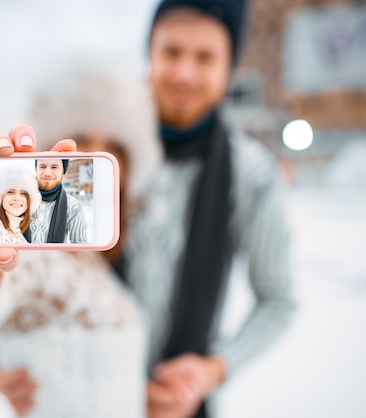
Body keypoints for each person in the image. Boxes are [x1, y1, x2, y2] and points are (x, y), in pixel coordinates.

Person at [0, 59, 162, 418]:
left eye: (113, 144)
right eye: (80, 137)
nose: (94, 152)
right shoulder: (31, 256)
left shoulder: (97, 257)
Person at [123, 1, 296, 417]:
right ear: (149, 54)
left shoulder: (252, 175)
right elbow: (35, 274)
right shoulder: (100, 151)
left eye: (205, 57)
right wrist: (2, 356)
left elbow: (278, 300)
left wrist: (211, 370)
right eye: (171, 52)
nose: (184, 72)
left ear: (230, 67)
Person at [23, 157, 87, 244]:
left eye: (54, 167)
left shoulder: (73, 206)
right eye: (42, 166)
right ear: (36, 169)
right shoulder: (20, 200)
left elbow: (80, 247)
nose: (47, 173)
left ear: (62, 171)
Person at [0, 165, 41, 244]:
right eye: (10, 192)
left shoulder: (22, 234)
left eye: (23, 193)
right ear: (0, 197)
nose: (17, 198)